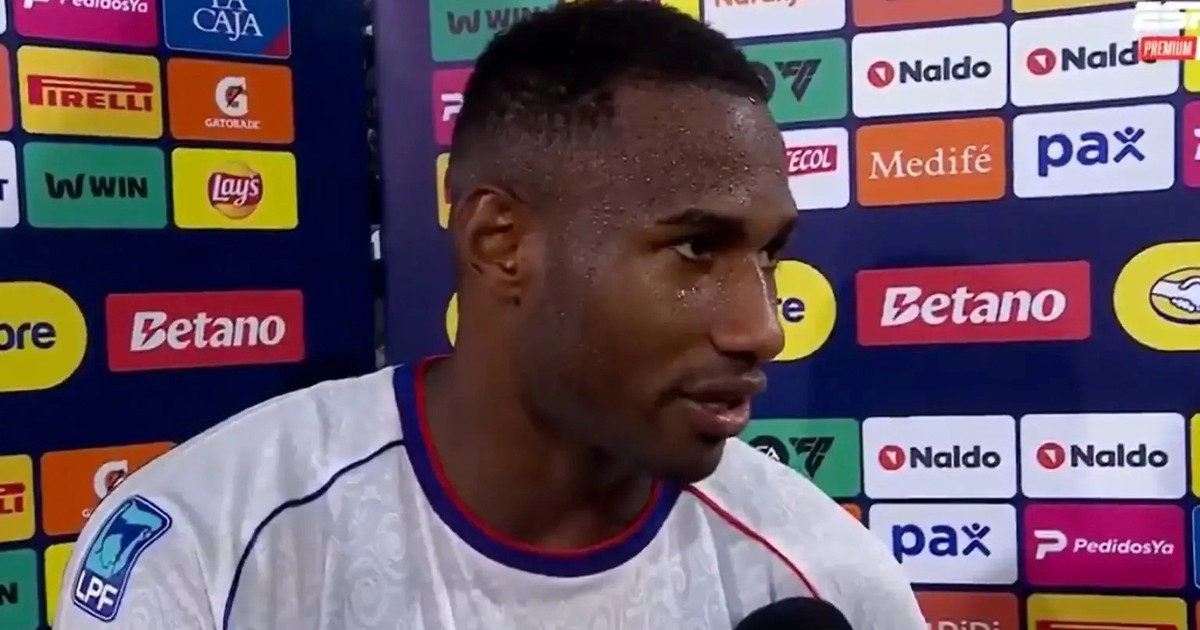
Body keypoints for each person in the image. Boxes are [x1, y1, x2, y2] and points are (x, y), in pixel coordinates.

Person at [55, 2, 926, 628]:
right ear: (501, 241)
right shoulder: (206, 544)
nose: (761, 328)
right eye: (696, 248)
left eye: (768, 257)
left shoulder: (824, 580)